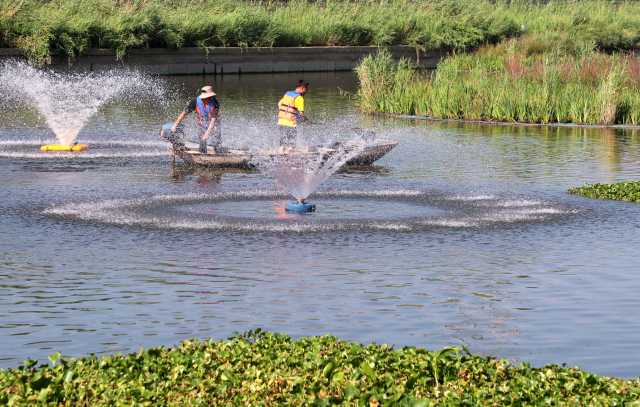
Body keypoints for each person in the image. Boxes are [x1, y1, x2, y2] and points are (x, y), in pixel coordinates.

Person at [172, 85, 221, 154]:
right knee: (202, 139)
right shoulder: (194, 102)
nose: (209, 99)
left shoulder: (215, 103)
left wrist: (207, 134)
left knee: (216, 135)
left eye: (210, 97)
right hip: (202, 121)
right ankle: (203, 154)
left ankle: (217, 151)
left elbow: (213, 120)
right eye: (207, 98)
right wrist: (175, 125)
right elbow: (183, 114)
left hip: (214, 122)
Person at [277, 80, 310, 146]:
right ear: (302, 88)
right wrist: (306, 120)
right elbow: (301, 114)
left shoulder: (287, 94)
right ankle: (290, 154)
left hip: (281, 122)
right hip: (290, 123)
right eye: (306, 90)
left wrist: (287, 112)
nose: (306, 91)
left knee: (283, 141)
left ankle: (280, 152)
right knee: (291, 144)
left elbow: (279, 104)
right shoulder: (299, 98)